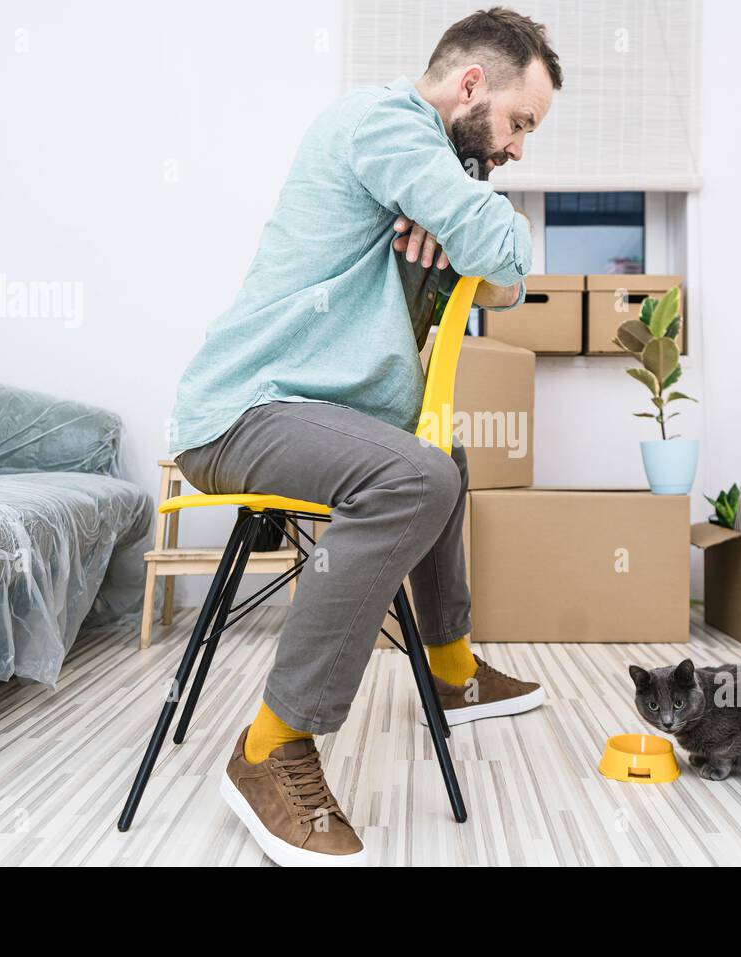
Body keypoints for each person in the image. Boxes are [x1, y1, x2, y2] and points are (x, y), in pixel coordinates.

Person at [168, 7, 562, 867]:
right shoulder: (382, 123)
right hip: (243, 412)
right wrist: (474, 232)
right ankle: (272, 746)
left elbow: (503, 285)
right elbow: (506, 246)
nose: (518, 149)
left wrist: (465, 238)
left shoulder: (419, 160)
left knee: (439, 461)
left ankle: (451, 669)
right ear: (470, 86)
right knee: (416, 478)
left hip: (305, 414)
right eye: (518, 123)